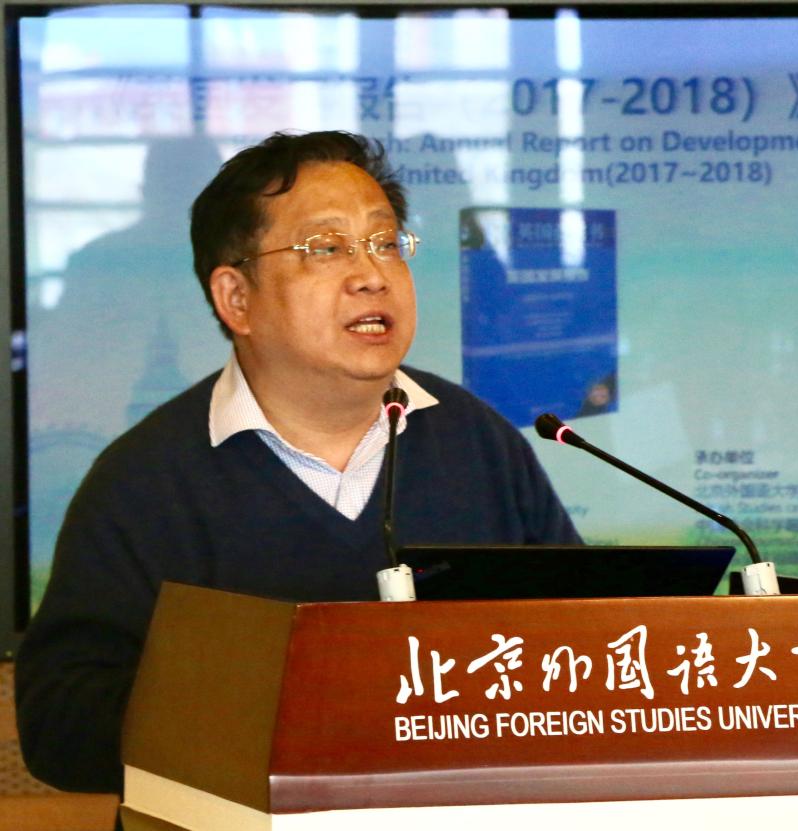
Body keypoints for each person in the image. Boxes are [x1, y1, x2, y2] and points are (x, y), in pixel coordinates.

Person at [15, 130, 580, 798]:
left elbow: (585, 647)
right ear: (237, 298)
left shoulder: (477, 441)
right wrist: (276, 705)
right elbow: (60, 727)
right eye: (327, 248)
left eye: (385, 243)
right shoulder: (146, 481)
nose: (372, 274)